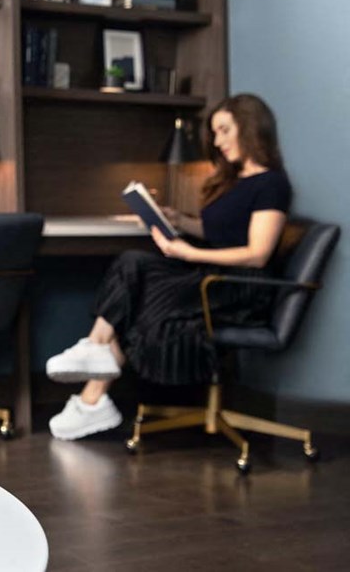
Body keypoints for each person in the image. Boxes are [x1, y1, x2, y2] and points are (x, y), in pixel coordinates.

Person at [45, 93, 292, 440]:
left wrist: (188, 253)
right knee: (133, 263)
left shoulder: (272, 184)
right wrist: (176, 220)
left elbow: (257, 254)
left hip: (238, 286)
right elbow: (218, 232)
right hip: (211, 276)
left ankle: (92, 398)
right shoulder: (235, 182)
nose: (217, 141)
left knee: (140, 298)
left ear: (251, 128)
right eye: (215, 133)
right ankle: (95, 353)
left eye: (224, 130)